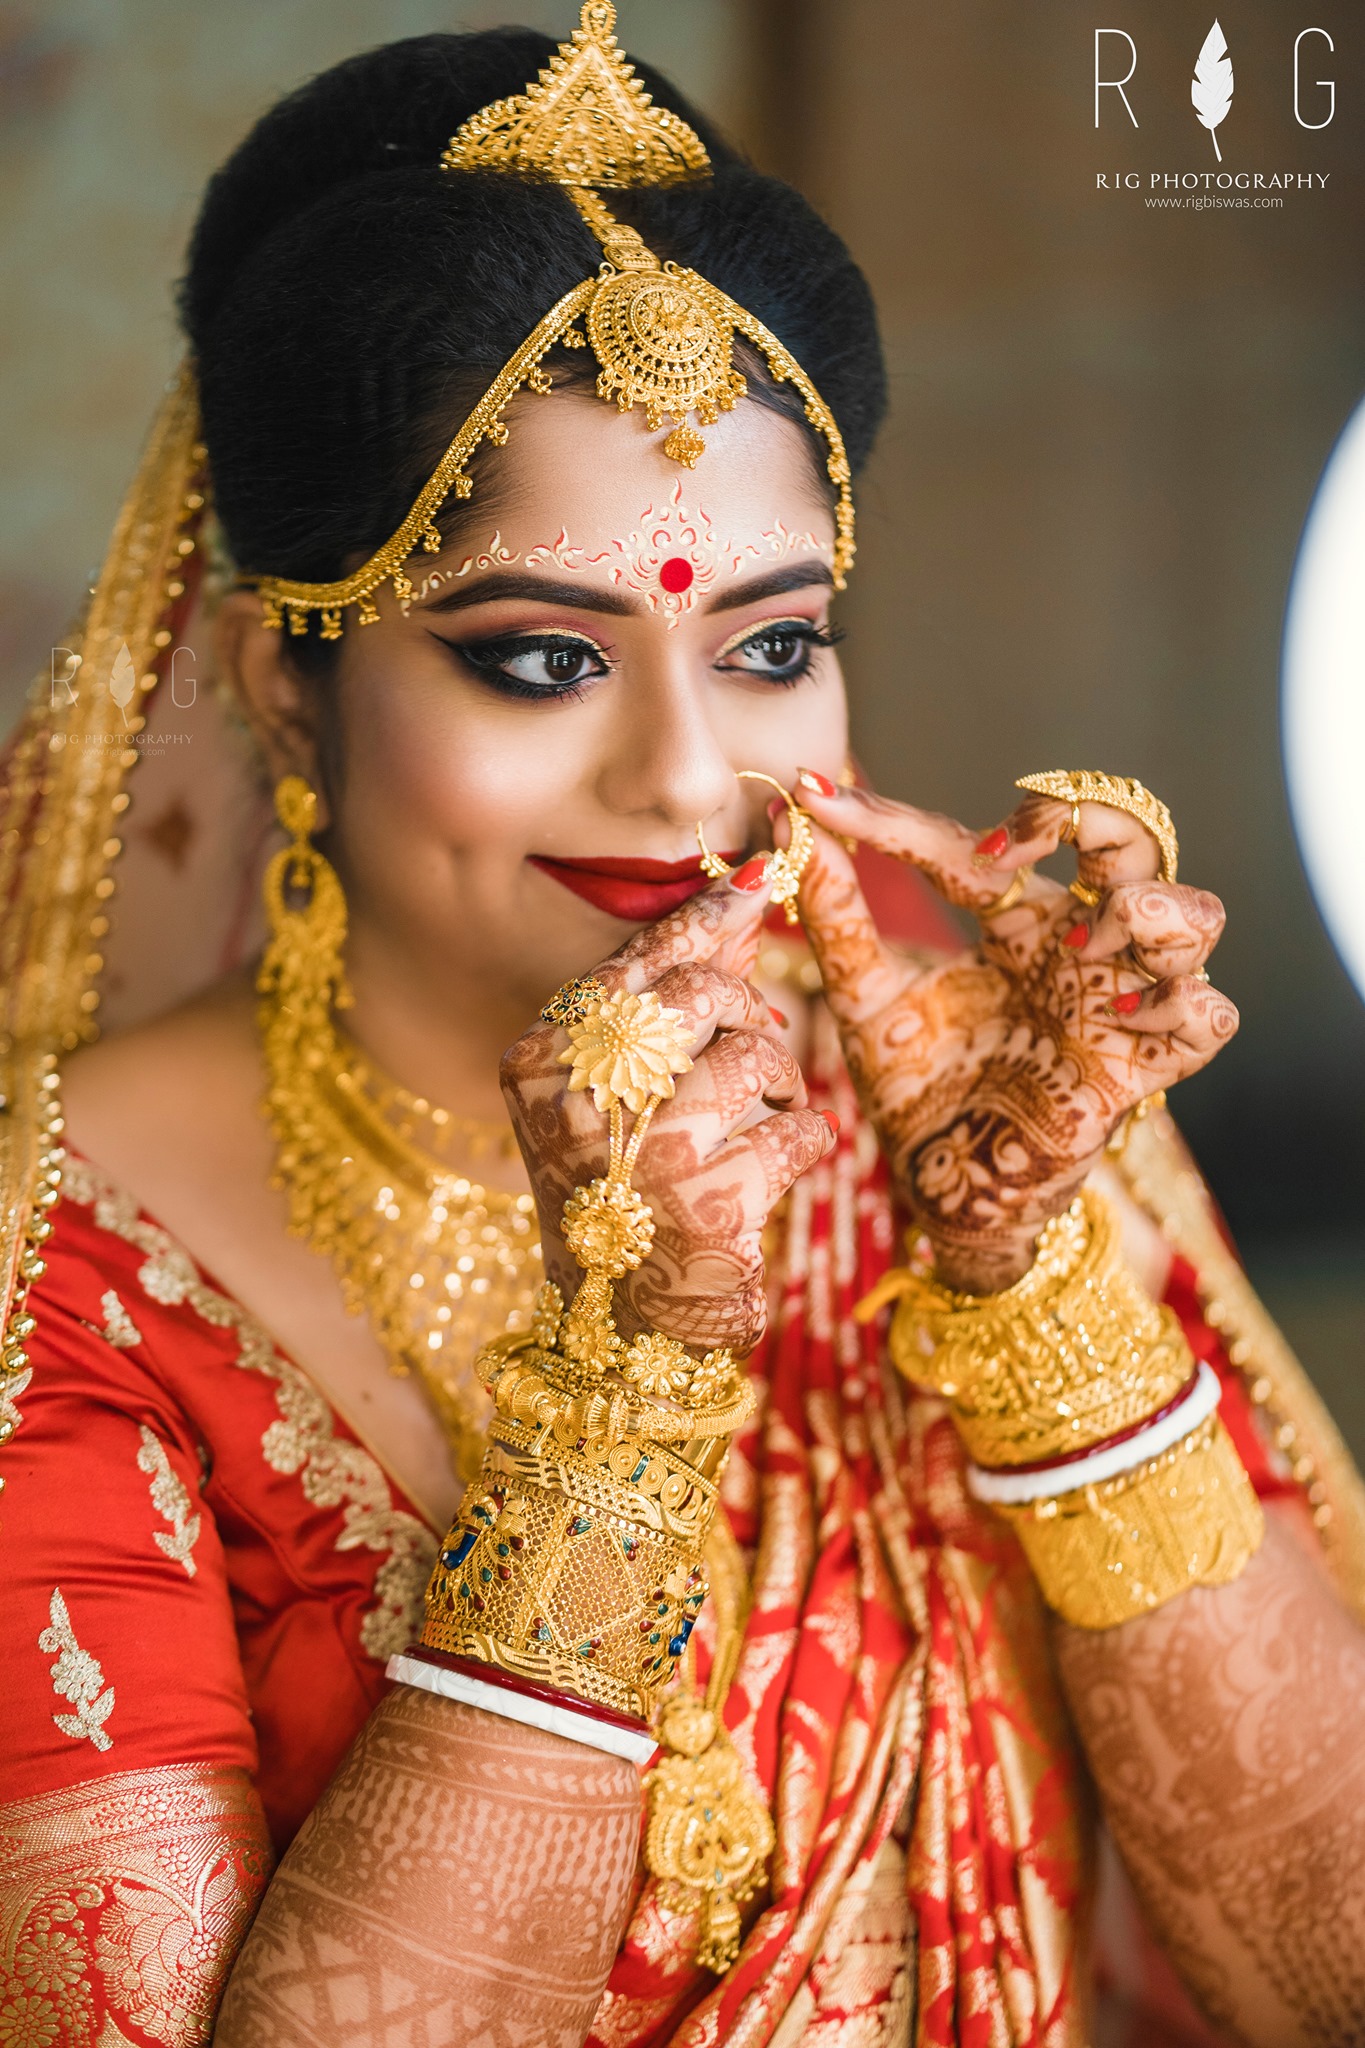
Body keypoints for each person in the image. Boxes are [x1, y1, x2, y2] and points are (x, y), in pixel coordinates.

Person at [3, 11, 1364, 2046]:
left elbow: (1322, 1968)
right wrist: (621, 1395)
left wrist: (1032, 1289)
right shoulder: (64, 1269)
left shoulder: (956, 1092)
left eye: (773, 646)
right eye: (540, 657)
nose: (687, 779)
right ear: (282, 690)